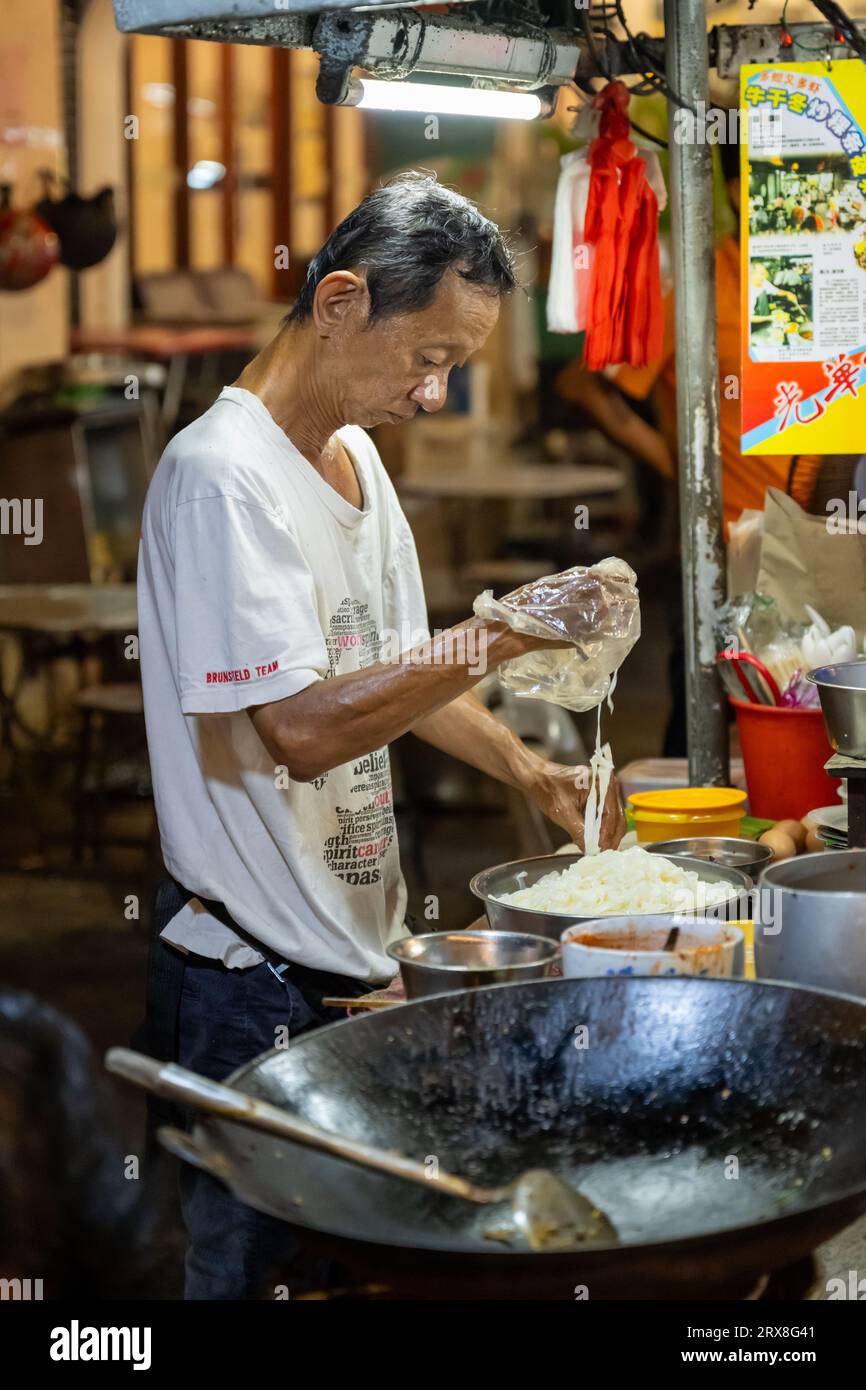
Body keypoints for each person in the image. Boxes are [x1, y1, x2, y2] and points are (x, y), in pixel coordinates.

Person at [137, 170, 625, 1300]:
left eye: (453, 364)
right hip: (246, 974)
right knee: (248, 1270)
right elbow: (303, 729)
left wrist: (532, 771)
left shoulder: (354, 461)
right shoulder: (223, 478)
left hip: (354, 949)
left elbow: (398, 677)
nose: (437, 393)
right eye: (428, 356)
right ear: (341, 301)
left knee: (353, 1263)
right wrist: (500, 634)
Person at [554, 138, 822, 751]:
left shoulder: (827, 282)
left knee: (809, 707)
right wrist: (683, 469)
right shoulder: (699, 284)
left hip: (820, 539)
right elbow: (585, 385)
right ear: (734, 192)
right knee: (707, 706)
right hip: (725, 545)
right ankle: (691, 834)